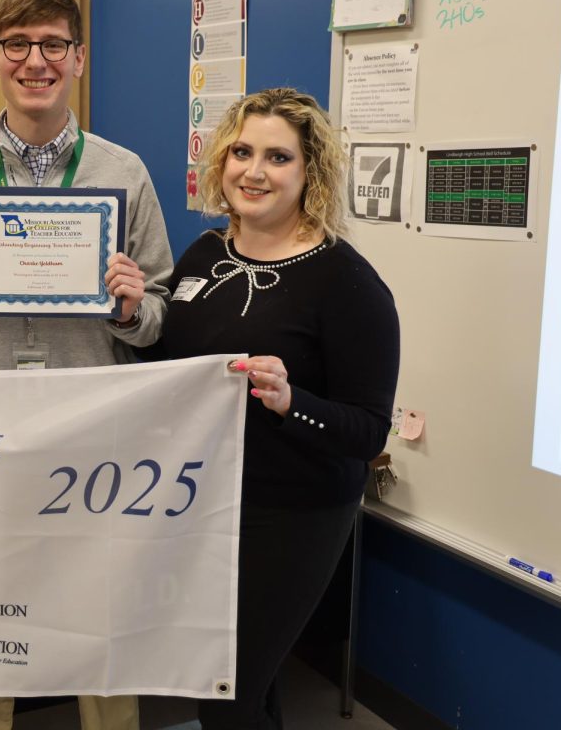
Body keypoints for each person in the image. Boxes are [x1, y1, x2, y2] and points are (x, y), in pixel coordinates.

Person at [0, 0, 172, 730]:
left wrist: (129, 306)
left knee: (98, 618)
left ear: (79, 58)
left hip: (94, 433)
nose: (36, 61)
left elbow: (159, 318)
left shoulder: (124, 175)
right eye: (18, 45)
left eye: (53, 44)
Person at [147, 88, 400, 729]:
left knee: (224, 695)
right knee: (246, 688)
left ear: (309, 172)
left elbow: (368, 429)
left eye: (278, 157)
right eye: (241, 151)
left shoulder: (347, 284)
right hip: (203, 501)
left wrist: (293, 403)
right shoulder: (205, 255)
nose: (253, 172)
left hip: (293, 512)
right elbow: (168, 366)